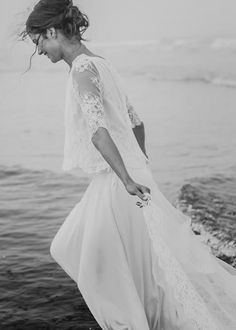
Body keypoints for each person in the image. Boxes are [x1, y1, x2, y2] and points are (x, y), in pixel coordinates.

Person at [21, 0, 236, 329]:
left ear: (51, 31)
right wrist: (140, 164)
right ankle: (141, 319)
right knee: (138, 263)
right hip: (130, 173)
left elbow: (98, 133)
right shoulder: (100, 63)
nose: (38, 51)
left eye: (38, 41)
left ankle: (129, 323)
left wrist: (126, 178)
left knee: (78, 251)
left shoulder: (81, 69)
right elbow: (136, 121)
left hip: (117, 180)